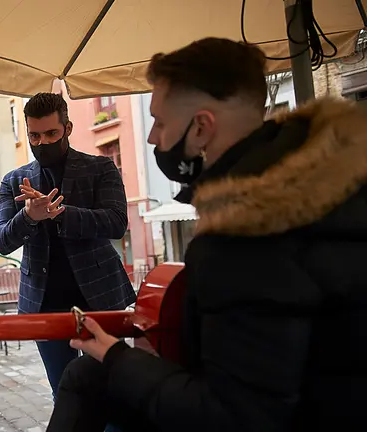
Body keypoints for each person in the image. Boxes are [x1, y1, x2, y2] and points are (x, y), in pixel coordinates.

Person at [47, 37, 367, 431]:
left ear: (201, 127)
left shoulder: (244, 236)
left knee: (90, 376)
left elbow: (233, 417)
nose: (152, 138)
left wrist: (116, 357)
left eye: (160, 122)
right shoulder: (339, 183)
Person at [0, 92, 135, 398]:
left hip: (101, 297)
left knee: (113, 391)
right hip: (45, 304)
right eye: (34, 135)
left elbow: (116, 223)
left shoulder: (101, 168)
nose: (42, 142)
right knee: (66, 393)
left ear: (67, 129)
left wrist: (61, 214)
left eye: (51, 134)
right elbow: (2, 240)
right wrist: (29, 216)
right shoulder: (14, 180)